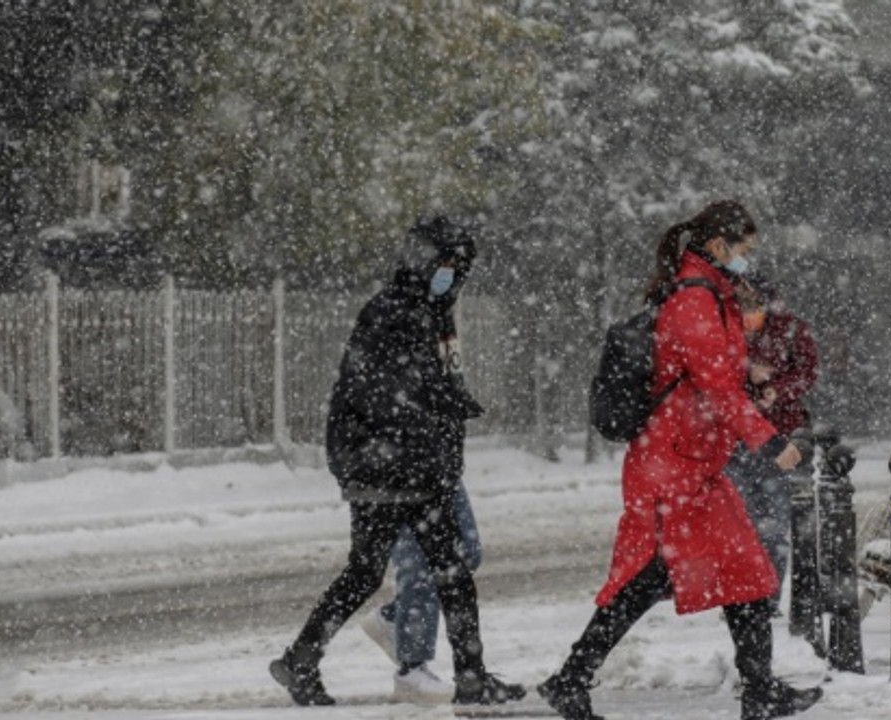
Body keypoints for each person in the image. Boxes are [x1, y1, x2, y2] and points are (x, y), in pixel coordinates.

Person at [538, 201, 823, 720]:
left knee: (745, 573)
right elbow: (715, 385)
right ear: (717, 246)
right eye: (743, 249)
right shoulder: (695, 299)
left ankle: (758, 691)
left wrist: (750, 384)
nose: (747, 259)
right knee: (654, 578)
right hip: (673, 466)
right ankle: (571, 678)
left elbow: (713, 377)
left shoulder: (712, 292)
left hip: (690, 463)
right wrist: (769, 440)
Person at [269, 216, 524, 707]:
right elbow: (384, 395)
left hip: (394, 465)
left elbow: (409, 388)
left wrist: (450, 401)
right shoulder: (399, 312)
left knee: (367, 572)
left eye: (458, 266)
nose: (453, 274)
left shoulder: (425, 310)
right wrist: (437, 410)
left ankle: (300, 660)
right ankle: (469, 678)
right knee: (450, 570)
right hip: (400, 467)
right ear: (426, 262)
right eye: (447, 264)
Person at [724, 273, 819, 613]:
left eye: (755, 305)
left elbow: (808, 372)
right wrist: (745, 371)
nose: (750, 313)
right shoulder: (724, 327)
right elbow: (713, 374)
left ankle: (767, 597)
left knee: (774, 524)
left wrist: (778, 390)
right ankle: (741, 597)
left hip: (778, 439)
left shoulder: (791, 330)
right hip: (735, 439)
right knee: (739, 522)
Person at [358, 487, 482, 704]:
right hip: (395, 474)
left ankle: (393, 616)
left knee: (466, 553)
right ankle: (411, 672)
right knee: (419, 568)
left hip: (439, 466)